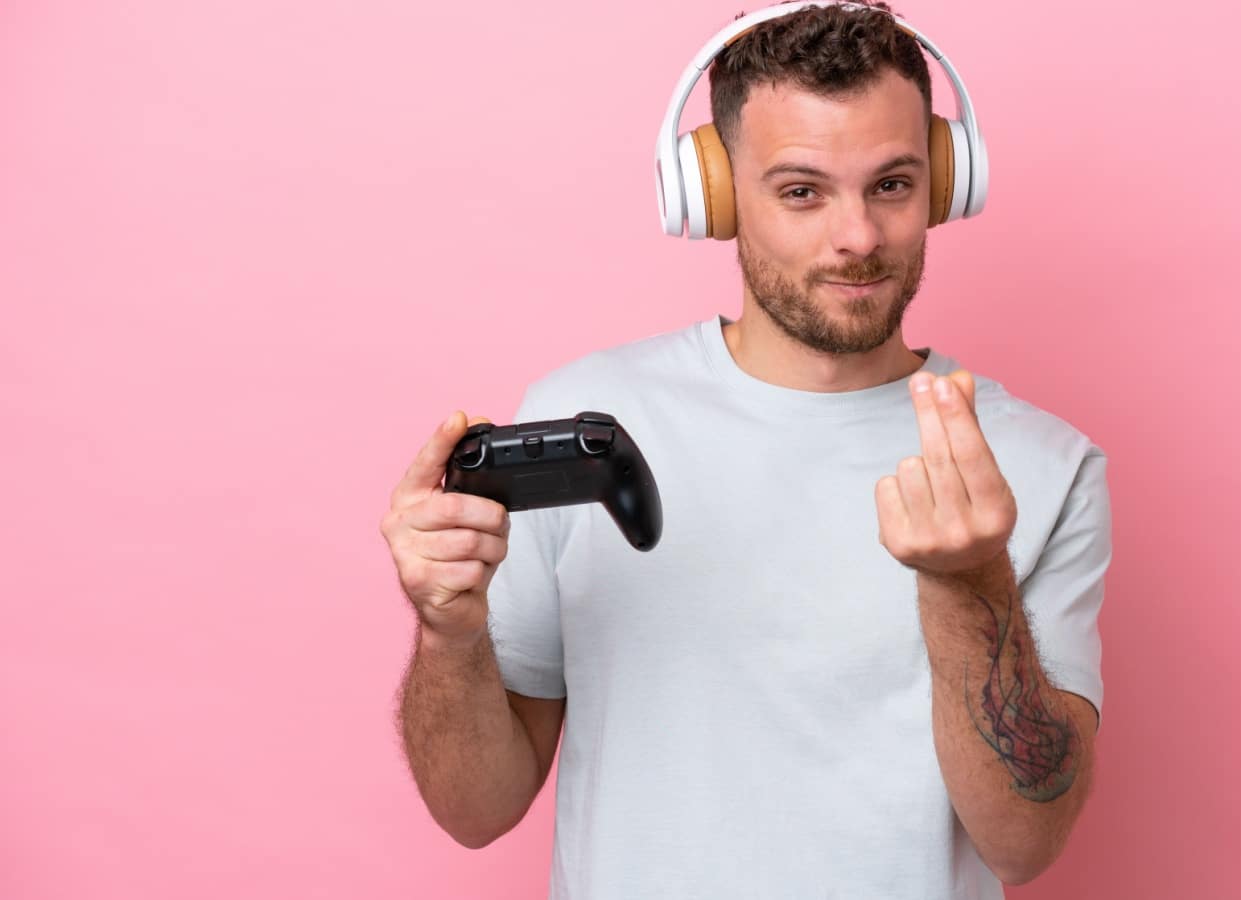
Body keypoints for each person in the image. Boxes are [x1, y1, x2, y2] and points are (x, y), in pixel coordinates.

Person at [379, 2, 1112, 897]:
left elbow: (1026, 843)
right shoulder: (585, 419)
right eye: (802, 190)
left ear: (947, 182)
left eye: (892, 184)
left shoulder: (1044, 464)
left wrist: (970, 582)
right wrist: (450, 635)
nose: (858, 238)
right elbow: (475, 812)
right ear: (715, 197)